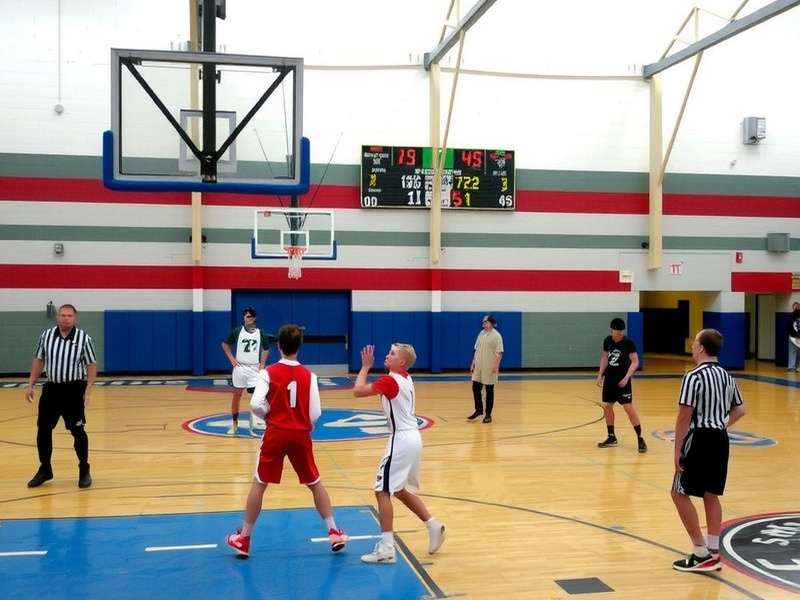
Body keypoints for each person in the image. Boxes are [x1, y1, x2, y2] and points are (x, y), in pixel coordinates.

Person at [225, 324, 345, 558]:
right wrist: (302, 425)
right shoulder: (310, 376)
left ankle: (244, 539)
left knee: (259, 483)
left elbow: (255, 404)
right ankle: (333, 532)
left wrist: (270, 416)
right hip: (300, 434)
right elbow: (316, 413)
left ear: (279, 345)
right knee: (315, 482)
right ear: (300, 346)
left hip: (276, 433)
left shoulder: (268, 373)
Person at [353, 343, 446, 564]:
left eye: (392, 353)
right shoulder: (406, 378)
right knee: (399, 489)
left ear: (402, 362)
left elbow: (357, 391)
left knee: (381, 490)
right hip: (412, 437)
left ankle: (387, 548)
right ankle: (433, 525)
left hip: (402, 439)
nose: (387, 355)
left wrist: (365, 367)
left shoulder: (391, 381)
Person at [671, 328, 745, 572]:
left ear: (701, 348)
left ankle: (700, 553)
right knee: (711, 494)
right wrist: (720, 424)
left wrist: (677, 450)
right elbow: (740, 409)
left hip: (699, 438)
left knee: (678, 492)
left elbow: (684, 415)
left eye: (695, 342)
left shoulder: (693, 376)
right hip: (720, 439)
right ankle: (713, 553)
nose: (692, 346)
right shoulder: (727, 376)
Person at [25, 304, 97, 489]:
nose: (66, 318)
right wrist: (31, 384)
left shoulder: (84, 338)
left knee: (78, 431)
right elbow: (39, 360)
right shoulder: (46, 336)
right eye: (63, 315)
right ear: (58, 317)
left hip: (74, 389)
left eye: (69, 316)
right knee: (43, 429)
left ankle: (84, 469)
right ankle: (45, 469)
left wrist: (88, 389)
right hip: (52, 389)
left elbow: (91, 365)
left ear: (75, 318)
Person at [596, 318, 647, 453]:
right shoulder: (608, 341)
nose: (618, 334)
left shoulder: (628, 343)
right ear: (611, 330)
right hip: (610, 380)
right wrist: (600, 374)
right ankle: (611, 437)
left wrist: (627, 377)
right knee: (607, 406)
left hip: (623, 380)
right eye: (616, 331)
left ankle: (640, 437)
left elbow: (635, 361)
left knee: (628, 408)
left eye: (620, 332)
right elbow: (604, 357)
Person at [221, 307, 270, 436]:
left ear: (254, 318)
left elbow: (266, 349)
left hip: (254, 369)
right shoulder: (238, 331)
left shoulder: (260, 333)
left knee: (258, 398)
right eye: (245, 316)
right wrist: (232, 359)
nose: (246, 318)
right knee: (236, 396)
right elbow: (225, 344)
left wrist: (262, 363)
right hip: (240, 368)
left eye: (249, 316)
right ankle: (234, 424)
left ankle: (259, 422)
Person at [467, 314, 504, 424]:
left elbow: (499, 353)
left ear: (491, 323)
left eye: (485, 322)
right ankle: (479, 410)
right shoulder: (481, 333)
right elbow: (477, 350)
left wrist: (496, 366)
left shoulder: (497, 336)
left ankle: (488, 415)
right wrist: (473, 363)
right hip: (479, 366)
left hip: (489, 367)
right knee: (475, 387)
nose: (483, 323)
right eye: (483, 322)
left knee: (489, 390)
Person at [787, 301, 800, 371]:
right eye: (796, 306)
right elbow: (789, 327)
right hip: (793, 336)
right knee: (794, 352)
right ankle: (793, 367)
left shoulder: (791, 316)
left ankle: (795, 367)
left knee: (796, 352)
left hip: (795, 336)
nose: (797, 307)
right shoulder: (791, 316)